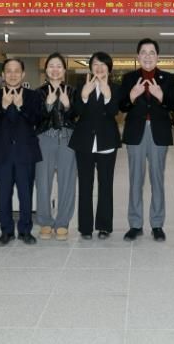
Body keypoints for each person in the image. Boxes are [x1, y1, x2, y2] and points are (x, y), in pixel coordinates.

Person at [119, 38, 174, 242]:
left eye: (151, 52)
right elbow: (122, 106)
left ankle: (157, 224)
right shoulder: (129, 78)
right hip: (135, 133)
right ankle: (135, 224)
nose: (147, 56)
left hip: (158, 133)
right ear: (138, 56)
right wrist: (131, 96)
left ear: (157, 56)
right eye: (143, 52)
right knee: (135, 180)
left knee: (157, 179)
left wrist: (161, 97)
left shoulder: (167, 78)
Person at [0, 58, 42, 246]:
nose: (12, 74)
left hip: (25, 153)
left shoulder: (33, 96)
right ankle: (6, 231)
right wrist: (2, 107)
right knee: (4, 195)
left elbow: (37, 120)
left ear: (23, 74)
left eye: (17, 71)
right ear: (3, 74)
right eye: (8, 71)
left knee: (26, 195)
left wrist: (20, 106)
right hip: (3, 153)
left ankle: (25, 231)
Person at [69, 52, 121, 240]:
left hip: (107, 142)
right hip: (84, 142)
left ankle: (104, 226)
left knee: (105, 185)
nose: (99, 68)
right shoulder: (81, 86)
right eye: (95, 64)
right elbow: (76, 112)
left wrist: (107, 96)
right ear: (90, 67)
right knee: (85, 185)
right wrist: (83, 96)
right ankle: (85, 228)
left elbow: (114, 112)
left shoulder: (115, 88)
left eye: (103, 65)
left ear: (109, 69)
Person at [35, 53, 78, 241]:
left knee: (67, 182)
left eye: (59, 66)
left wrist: (68, 106)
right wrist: (47, 104)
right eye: (51, 66)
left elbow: (77, 115)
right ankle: (45, 221)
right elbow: (35, 117)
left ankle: (62, 223)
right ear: (46, 70)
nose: (55, 69)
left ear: (64, 70)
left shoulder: (73, 91)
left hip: (68, 138)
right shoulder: (38, 92)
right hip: (45, 138)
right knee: (43, 181)